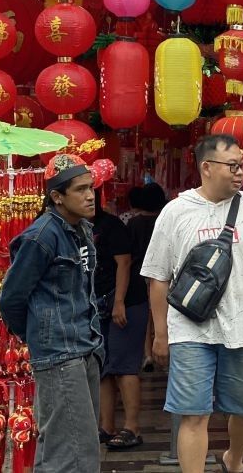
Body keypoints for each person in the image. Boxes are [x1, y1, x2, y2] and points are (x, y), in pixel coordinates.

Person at [140, 134, 243, 473]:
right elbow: (157, 277)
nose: (240, 171)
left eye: (242, 165)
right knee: (193, 414)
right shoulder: (176, 212)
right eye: (232, 165)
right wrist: (159, 332)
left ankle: (234, 459)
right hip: (190, 331)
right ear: (207, 167)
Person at [0, 154, 103, 473]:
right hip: (59, 353)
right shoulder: (41, 236)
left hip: (85, 347)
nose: (90, 196)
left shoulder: (81, 229)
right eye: (81, 190)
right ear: (57, 197)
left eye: (91, 188)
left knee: (71, 445)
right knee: (73, 454)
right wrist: (40, 335)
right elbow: (10, 298)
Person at [92, 187, 147, 449]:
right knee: (104, 367)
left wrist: (119, 302)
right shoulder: (77, 226)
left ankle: (132, 427)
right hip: (98, 303)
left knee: (125, 365)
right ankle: (106, 425)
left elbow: (124, 263)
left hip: (126, 301)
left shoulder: (110, 225)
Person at [129, 184, 168, 372]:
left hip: (140, 274)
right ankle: (165, 350)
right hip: (163, 273)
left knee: (146, 315)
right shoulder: (165, 219)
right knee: (164, 312)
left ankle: (147, 354)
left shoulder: (134, 223)